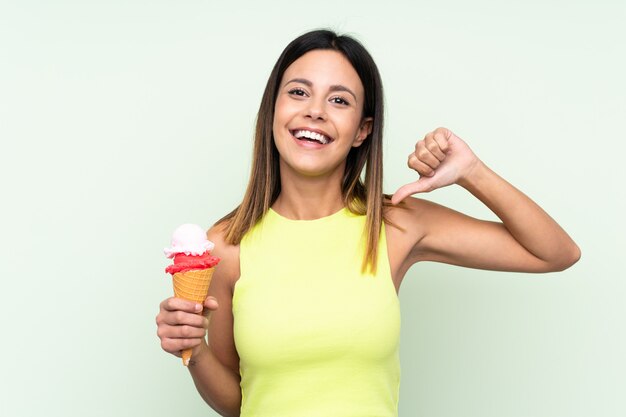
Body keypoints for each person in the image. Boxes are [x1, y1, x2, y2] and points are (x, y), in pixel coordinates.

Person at [156, 29, 580, 417]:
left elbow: (556, 253)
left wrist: (472, 171)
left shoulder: (396, 224)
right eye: (299, 92)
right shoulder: (226, 244)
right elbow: (237, 403)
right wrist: (195, 350)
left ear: (362, 130)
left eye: (339, 100)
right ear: (273, 111)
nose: (316, 112)